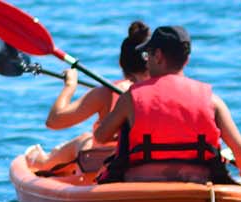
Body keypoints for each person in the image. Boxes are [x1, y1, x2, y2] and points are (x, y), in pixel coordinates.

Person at [90, 26, 241, 185]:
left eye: (147, 55)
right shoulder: (212, 101)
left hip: (140, 182)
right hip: (198, 183)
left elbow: (100, 136)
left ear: (157, 56)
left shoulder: (131, 98)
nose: (146, 61)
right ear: (186, 60)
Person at [32, 21, 154, 177]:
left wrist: (70, 85)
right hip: (150, 160)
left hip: (107, 162)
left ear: (121, 63)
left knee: (83, 139)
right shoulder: (165, 91)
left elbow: (54, 121)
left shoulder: (106, 93)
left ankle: (43, 161)